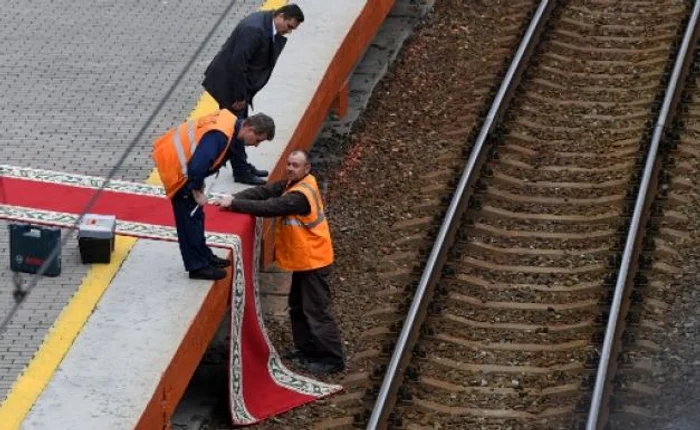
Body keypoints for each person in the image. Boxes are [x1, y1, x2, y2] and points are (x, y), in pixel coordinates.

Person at [214, 150, 345, 374]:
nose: (290, 168)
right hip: (305, 260)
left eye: (296, 165)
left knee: (316, 311)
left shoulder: (300, 195)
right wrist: (236, 198)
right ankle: (307, 350)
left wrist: (235, 203)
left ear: (307, 168)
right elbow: (265, 191)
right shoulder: (293, 184)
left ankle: (332, 359)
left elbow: (271, 207)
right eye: (289, 164)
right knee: (298, 307)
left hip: (314, 261)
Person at [152, 110, 275, 280]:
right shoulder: (220, 136)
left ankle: (204, 255)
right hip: (178, 170)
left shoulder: (231, 124)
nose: (256, 145)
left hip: (183, 164)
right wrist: (196, 191)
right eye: (258, 140)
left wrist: (199, 185)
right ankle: (197, 266)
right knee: (189, 216)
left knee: (196, 215)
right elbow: (197, 166)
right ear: (250, 129)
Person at [203, 4, 305, 186]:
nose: (288, 32)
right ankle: (241, 171)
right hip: (230, 85)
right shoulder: (255, 29)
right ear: (281, 16)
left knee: (240, 124)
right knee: (237, 128)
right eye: (289, 27)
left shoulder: (266, 24)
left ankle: (241, 166)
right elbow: (237, 63)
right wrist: (240, 96)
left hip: (237, 83)